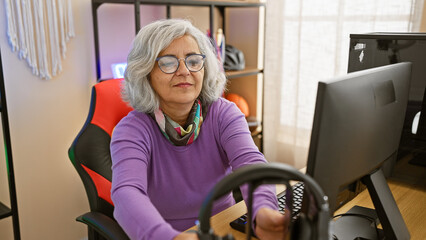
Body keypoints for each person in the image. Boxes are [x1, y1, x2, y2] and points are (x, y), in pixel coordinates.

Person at [110, 19, 289, 240]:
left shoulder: (224, 114)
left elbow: (251, 165)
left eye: (193, 61)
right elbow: (127, 193)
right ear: (146, 73)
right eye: (168, 62)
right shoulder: (131, 130)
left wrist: (262, 211)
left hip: (225, 228)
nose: (184, 71)